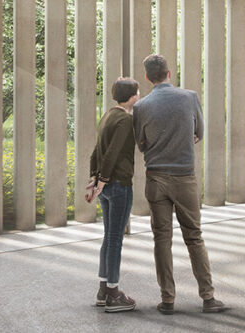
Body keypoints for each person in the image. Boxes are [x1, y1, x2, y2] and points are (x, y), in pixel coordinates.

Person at [134, 54, 229, 314]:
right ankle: (208, 297)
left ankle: (167, 300)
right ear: (169, 73)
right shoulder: (190, 97)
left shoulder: (141, 107)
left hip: (156, 178)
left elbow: (141, 143)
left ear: (147, 77)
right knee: (194, 236)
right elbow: (199, 133)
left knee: (161, 239)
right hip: (185, 177)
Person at [88, 77, 141, 312]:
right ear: (132, 96)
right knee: (115, 239)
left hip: (106, 187)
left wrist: (95, 179)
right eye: (137, 92)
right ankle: (113, 293)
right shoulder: (125, 120)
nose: (139, 95)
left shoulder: (108, 115)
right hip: (119, 184)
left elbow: (96, 151)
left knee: (109, 238)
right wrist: (103, 179)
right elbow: (112, 152)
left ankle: (102, 291)